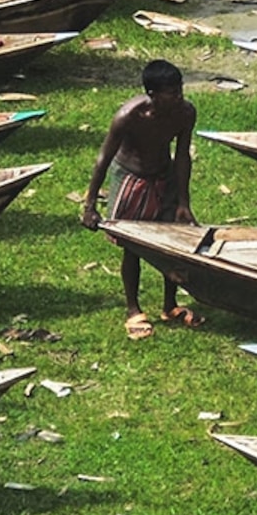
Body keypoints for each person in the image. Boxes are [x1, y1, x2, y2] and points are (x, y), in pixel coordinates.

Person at [84, 59, 198, 335]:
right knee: (132, 246)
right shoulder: (128, 116)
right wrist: (89, 205)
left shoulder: (185, 113)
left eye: (180, 90)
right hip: (131, 177)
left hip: (164, 176)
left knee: (171, 240)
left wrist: (183, 202)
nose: (179, 97)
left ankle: (170, 305)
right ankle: (133, 309)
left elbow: (183, 156)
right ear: (152, 94)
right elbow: (103, 158)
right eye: (171, 93)